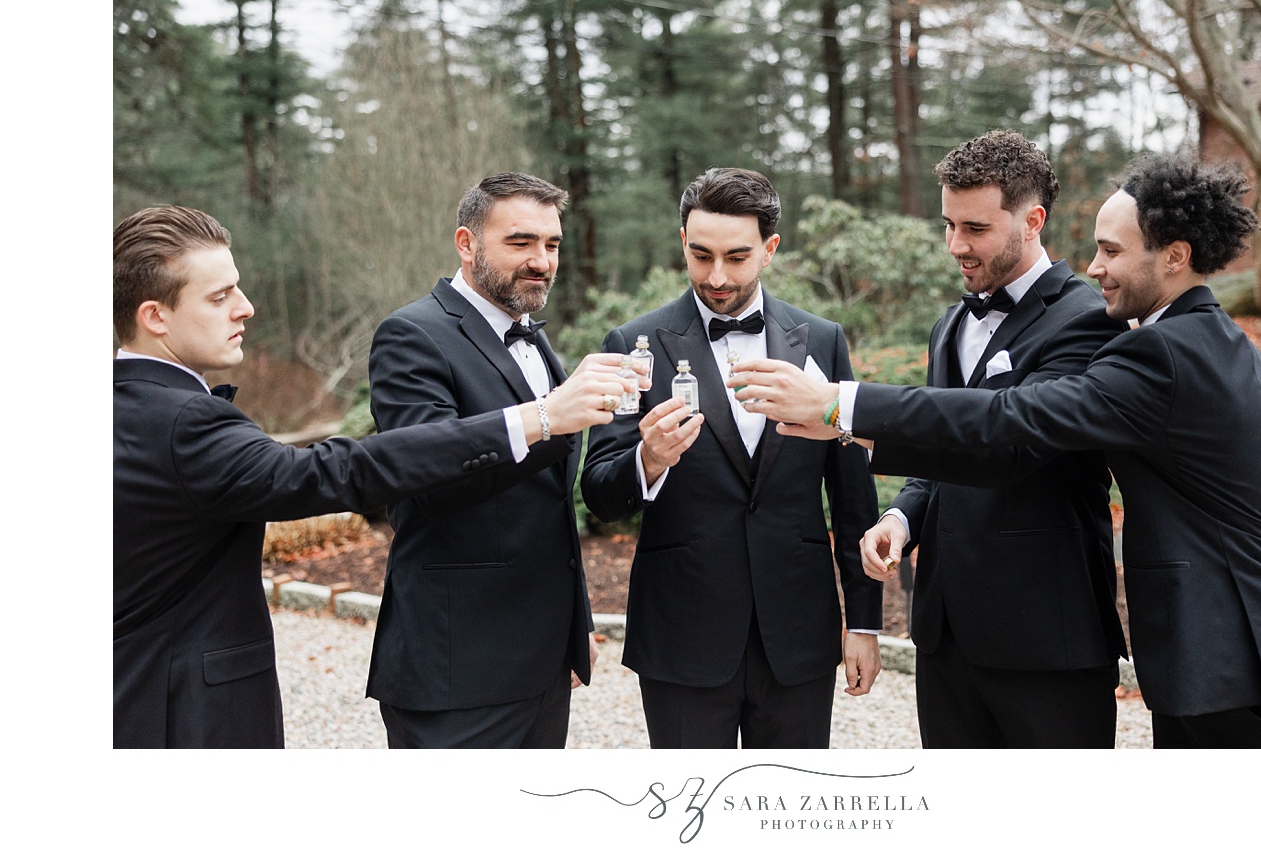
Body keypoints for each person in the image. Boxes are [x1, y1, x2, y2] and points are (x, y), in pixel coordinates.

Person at [732, 154, 1261, 748]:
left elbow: (1012, 419)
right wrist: (893, 493)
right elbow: (973, 432)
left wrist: (841, 405)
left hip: (1240, 661)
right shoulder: (1214, 341)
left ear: (1176, 256)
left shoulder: (1159, 354)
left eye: (1112, 250)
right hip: (1231, 655)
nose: (1095, 267)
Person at [113, 205, 630, 749]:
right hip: (182, 716)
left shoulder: (128, 407)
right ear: (155, 317)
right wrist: (540, 416)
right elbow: (334, 471)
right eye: (219, 297)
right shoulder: (181, 421)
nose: (246, 308)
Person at [580, 166, 883, 748]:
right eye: (701, 255)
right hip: (681, 634)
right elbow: (598, 491)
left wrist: (864, 621)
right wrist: (648, 460)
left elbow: (853, 496)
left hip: (797, 632)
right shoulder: (633, 344)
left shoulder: (821, 341)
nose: (717, 276)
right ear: (683, 244)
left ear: (769, 249)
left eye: (737, 257)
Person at [864, 131, 1128, 747]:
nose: (957, 245)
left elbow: (1012, 448)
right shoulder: (949, 324)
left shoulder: (1087, 321)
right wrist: (901, 520)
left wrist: (849, 417)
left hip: (1047, 640)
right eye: (949, 225)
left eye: (976, 229)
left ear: (1032, 220)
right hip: (945, 635)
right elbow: (941, 456)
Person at [364, 172, 631, 748]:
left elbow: (551, 504)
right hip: (456, 663)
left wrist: (574, 619)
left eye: (552, 244)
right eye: (521, 242)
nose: (542, 261)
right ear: (467, 243)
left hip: (541, 659)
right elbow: (425, 477)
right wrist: (549, 416)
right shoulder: (411, 334)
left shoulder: (532, 338)